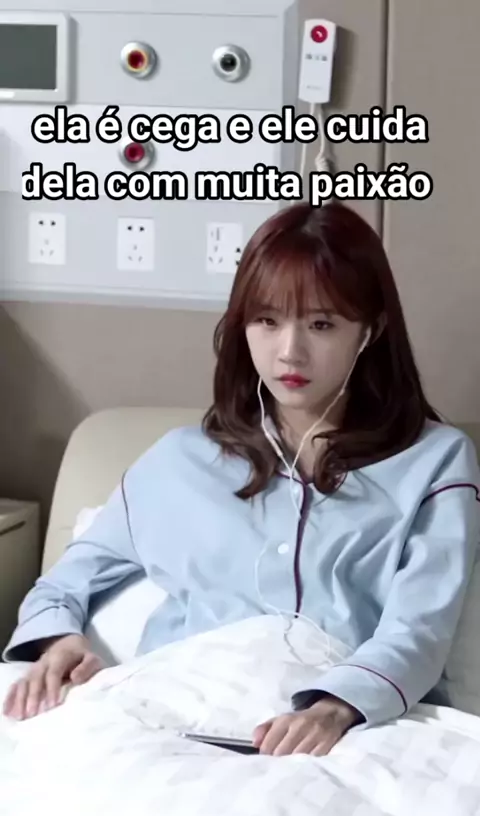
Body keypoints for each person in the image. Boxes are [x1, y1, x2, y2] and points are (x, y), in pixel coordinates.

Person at [2, 201, 479, 759]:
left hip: (342, 736)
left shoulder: (435, 461)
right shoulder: (177, 463)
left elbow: (419, 629)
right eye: (267, 321)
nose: (290, 352)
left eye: (321, 324)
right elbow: (62, 586)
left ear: (369, 331)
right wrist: (60, 641)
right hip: (166, 726)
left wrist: (334, 707)